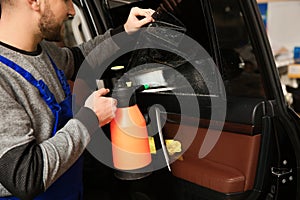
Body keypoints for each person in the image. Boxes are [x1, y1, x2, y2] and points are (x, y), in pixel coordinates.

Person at [0, 0, 154, 199]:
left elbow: (82, 59)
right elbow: (25, 177)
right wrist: (90, 119)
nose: (72, 11)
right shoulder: (3, 78)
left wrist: (126, 32)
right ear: (34, 2)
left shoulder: (43, 51)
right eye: (66, 0)